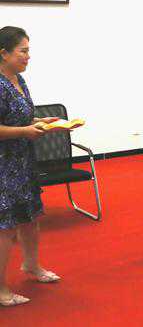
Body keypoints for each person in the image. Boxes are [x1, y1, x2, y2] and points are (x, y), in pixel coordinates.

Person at [0, 26, 61, 307]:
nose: (28, 56)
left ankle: (31, 265)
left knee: (30, 217)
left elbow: (21, 116)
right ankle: (1, 289)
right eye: (23, 51)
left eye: (28, 50)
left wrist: (40, 122)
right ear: (4, 53)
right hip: (4, 166)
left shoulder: (19, 79)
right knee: (5, 227)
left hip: (23, 160)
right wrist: (25, 131)